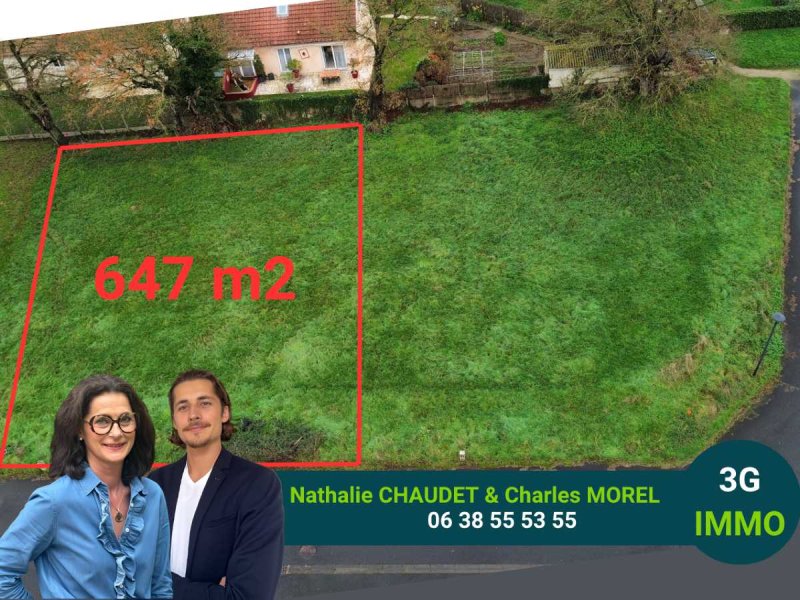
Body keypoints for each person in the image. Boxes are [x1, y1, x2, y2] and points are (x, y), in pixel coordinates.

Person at [0, 374, 172, 599]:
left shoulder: (153, 496)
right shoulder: (54, 502)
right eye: (102, 421)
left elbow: (160, 585)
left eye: (125, 419)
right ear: (79, 430)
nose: (116, 432)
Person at [148, 369, 284, 600]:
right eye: (183, 407)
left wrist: (155, 586)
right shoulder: (155, 485)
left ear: (224, 413)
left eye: (204, 403)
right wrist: (216, 592)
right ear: (174, 421)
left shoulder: (257, 484)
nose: (193, 415)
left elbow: (248, 596)